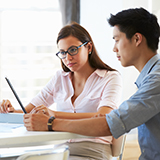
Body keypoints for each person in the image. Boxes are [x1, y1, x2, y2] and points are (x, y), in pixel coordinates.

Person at [23, 7, 160, 160]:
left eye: (117, 40)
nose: (114, 48)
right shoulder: (149, 78)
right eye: (62, 52)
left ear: (136, 39)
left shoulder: (156, 79)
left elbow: (109, 123)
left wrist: (51, 122)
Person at [0, 22, 122, 160]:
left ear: (88, 47)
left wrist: (54, 116)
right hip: (59, 152)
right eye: (63, 53)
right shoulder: (60, 78)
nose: (68, 58)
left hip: (92, 151)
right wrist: (9, 110)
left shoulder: (110, 78)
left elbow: (103, 117)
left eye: (73, 50)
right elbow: (27, 112)